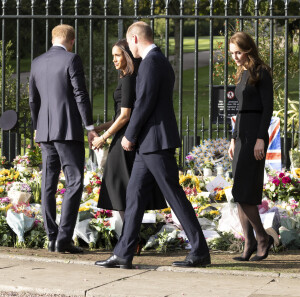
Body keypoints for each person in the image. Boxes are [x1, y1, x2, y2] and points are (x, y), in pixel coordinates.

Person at [95, 21, 210, 269]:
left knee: (175, 196)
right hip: (150, 143)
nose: (129, 50)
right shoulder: (157, 61)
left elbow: (144, 102)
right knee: (134, 197)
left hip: (155, 142)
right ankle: (123, 253)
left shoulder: (151, 62)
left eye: (129, 43)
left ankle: (200, 251)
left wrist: (129, 135)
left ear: (135, 39)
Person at [29, 24, 98, 253]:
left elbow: (33, 100)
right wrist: (89, 126)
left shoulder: (37, 62)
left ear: (52, 39)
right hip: (67, 130)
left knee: (48, 184)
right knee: (74, 180)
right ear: (72, 40)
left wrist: (37, 126)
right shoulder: (71, 59)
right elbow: (80, 93)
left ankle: (51, 237)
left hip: (45, 131)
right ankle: (64, 239)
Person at [92, 39, 166, 218]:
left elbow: (125, 116)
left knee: (118, 186)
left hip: (125, 137)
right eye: (113, 56)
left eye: (117, 55)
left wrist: (103, 137)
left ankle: (130, 235)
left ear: (127, 56)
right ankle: (131, 235)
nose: (114, 60)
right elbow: (121, 115)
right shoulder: (130, 77)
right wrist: (99, 128)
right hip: (126, 134)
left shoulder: (129, 79)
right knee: (125, 186)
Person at [228, 31, 274, 261]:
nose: (235, 57)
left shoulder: (261, 72)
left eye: (238, 52)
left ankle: (262, 237)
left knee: (244, 191)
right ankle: (249, 243)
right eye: (232, 53)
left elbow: (268, 109)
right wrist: (233, 137)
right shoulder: (242, 73)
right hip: (241, 135)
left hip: (255, 134)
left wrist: (260, 139)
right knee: (239, 193)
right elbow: (239, 109)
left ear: (248, 49)